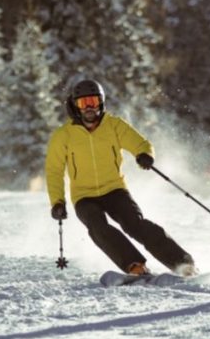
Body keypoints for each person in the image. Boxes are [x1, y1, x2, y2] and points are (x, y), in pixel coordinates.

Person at [44, 78, 196, 277]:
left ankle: (182, 263)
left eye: (93, 101)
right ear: (75, 106)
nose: (89, 107)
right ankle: (135, 265)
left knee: (134, 224)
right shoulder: (63, 135)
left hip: (114, 189)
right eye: (83, 103)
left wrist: (144, 155)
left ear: (101, 102)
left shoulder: (114, 126)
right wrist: (57, 202)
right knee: (97, 227)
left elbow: (140, 143)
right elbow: (54, 170)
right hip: (84, 196)